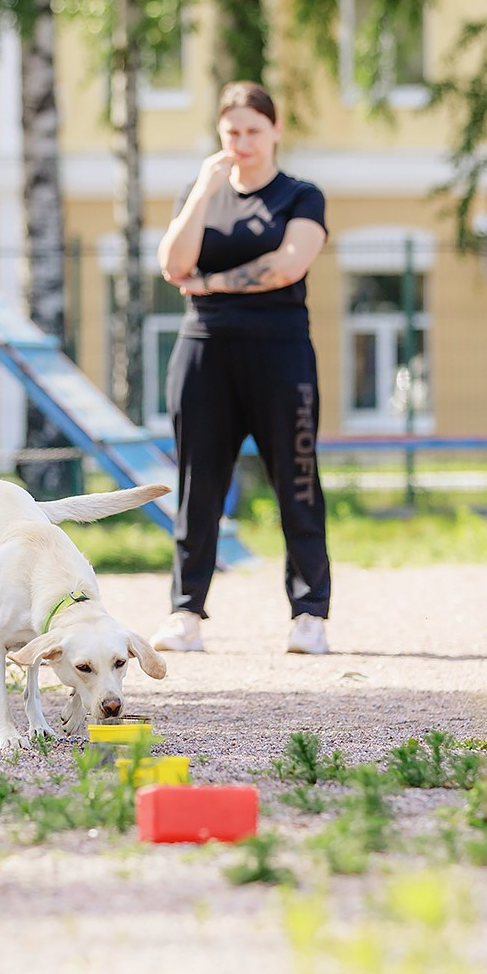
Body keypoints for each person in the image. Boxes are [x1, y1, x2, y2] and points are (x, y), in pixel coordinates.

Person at [151, 81, 331, 656]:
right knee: (196, 486)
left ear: (276, 131)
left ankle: (309, 615)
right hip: (204, 350)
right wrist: (204, 188)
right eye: (232, 131)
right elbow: (173, 264)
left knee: (297, 481)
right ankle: (185, 613)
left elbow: (287, 265)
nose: (243, 141)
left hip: (280, 351)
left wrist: (209, 283)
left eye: (254, 129)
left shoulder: (300, 196)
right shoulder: (200, 192)